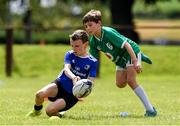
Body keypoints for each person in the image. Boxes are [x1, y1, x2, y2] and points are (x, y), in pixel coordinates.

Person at [82, 10, 157, 117]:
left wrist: (135, 61)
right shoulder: (93, 41)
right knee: (120, 83)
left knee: (131, 81)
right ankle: (140, 58)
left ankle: (151, 110)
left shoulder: (108, 32)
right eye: (86, 26)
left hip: (131, 52)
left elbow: (126, 44)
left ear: (99, 23)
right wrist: (87, 77)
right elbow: (92, 60)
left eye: (90, 25)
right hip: (119, 60)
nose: (88, 28)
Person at [26, 29, 98, 118]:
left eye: (77, 46)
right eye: (72, 45)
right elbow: (66, 69)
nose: (73, 48)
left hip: (71, 95)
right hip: (59, 85)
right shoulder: (69, 54)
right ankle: (37, 111)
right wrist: (74, 77)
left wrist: (84, 88)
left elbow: (91, 81)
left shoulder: (93, 61)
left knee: (49, 111)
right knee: (39, 95)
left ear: (86, 44)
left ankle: (60, 115)